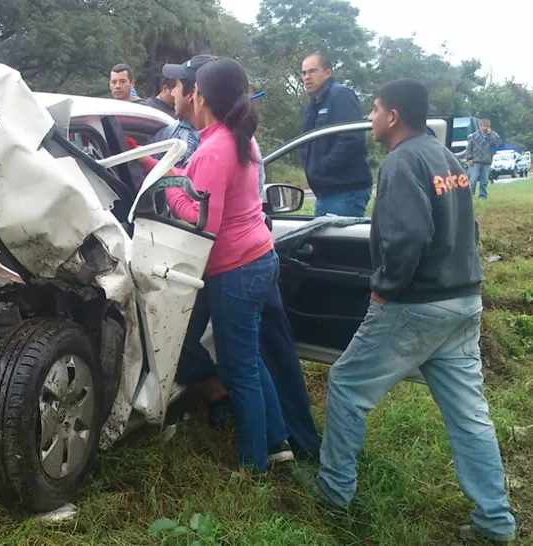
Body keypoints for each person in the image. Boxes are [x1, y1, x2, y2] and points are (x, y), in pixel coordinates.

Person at [312, 79, 515, 544]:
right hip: (464, 301)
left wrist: (386, 288)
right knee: (469, 415)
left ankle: (333, 490)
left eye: (375, 110)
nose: (370, 119)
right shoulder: (446, 157)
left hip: (416, 303)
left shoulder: (402, 162)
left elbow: (408, 236)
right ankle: (496, 521)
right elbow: (468, 226)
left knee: (345, 385)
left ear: (394, 116)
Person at [156, 54, 320, 461]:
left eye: (190, 91)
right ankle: (276, 441)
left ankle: (253, 465)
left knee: (238, 369)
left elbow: (202, 221)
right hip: (259, 257)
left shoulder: (214, 148)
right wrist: (167, 171)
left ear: (200, 98)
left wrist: (169, 187)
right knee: (251, 360)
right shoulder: (238, 138)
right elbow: (212, 194)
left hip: (235, 270)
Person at [299, 52, 373, 217]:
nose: (307, 77)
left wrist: (322, 167)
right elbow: (303, 141)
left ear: (327, 73)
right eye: (304, 73)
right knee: (324, 241)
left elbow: (352, 139)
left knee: (338, 242)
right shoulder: (314, 104)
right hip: (326, 191)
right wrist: (307, 164)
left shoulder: (341, 95)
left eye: (312, 71)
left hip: (346, 190)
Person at [463, 119, 502, 200]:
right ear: (480, 126)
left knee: (484, 181)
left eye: (487, 126)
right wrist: (469, 158)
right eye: (484, 126)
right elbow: (469, 148)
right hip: (475, 161)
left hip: (486, 161)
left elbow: (496, 143)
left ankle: (483, 197)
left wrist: (490, 135)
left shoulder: (493, 135)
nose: (485, 127)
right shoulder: (473, 136)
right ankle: (470, 197)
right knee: (473, 181)